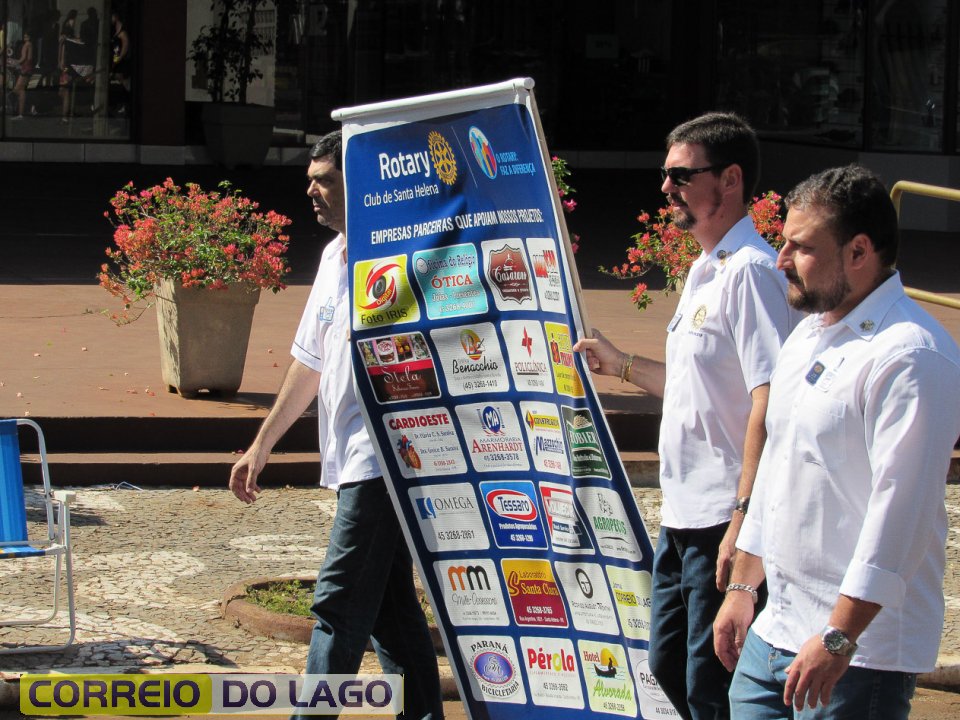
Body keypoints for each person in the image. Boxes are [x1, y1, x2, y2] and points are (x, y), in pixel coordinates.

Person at [573, 112, 799, 719]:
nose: (666, 187)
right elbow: (696, 385)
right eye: (665, 174)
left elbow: (771, 400)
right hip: (682, 516)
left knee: (710, 688)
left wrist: (742, 522)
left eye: (680, 175)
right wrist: (621, 365)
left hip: (722, 518)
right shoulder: (705, 269)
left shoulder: (751, 272)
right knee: (669, 668)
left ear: (730, 180)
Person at [713, 164, 960, 718]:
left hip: (855, 656)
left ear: (859, 252)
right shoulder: (809, 332)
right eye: (783, 242)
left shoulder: (911, 357)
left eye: (801, 247)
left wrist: (840, 637)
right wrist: (743, 589)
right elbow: (777, 468)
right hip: (775, 629)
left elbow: (901, 517)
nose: (781, 259)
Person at [229, 130, 444, 720]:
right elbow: (310, 361)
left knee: (338, 601)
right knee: (391, 611)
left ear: (362, 184)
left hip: (390, 456)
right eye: (311, 181)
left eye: (324, 181)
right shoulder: (332, 257)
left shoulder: (410, 252)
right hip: (349, 453)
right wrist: (261, 444)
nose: (312, 192)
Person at [10, 32, 33, 120]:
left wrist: (15, 62)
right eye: (24, 36)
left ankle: (22, 111)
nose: (25, 38)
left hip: (25, 68)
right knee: (21, 90)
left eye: (27, 36)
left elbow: (24, 58)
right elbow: (28, 58)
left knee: (18, 90)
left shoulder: (27, 45)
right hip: (26, 68)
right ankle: (23, 111)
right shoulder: (30, 44)